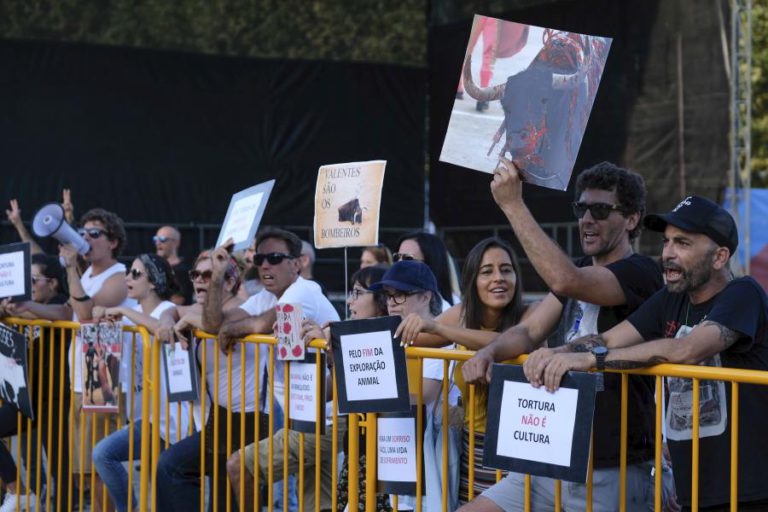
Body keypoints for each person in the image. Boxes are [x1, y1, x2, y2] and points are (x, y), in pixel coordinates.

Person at [524, 195, 768, 510]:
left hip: (749, 489)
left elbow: (687, 349)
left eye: (682, 244)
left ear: (720, 257)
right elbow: (608, 340)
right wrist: (557, 352)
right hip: (695, 488)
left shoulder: (743, 293)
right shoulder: (670, 299)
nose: (667, 253)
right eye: (666, 242)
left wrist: (592, 360)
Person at [459, 160, 663, 512]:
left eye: (600, 210)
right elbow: (528, 330)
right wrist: (489, 352)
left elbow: (566, 281)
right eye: (581, 208)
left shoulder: (641, 272)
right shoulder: (582, 268)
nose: (586, 219)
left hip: (609, 466)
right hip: (550, 454)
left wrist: (513, 204)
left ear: (632, 219)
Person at [5, 208, 134, 512]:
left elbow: (87, 315)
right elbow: (66, 313)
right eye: (83, 232)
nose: (85, 238)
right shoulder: (88, 273)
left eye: (94, 234)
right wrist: (26, 305)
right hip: (82, 371)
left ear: (113, 241)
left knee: (100, 463)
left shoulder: (118, 275)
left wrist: (71, 269)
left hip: (103, 368)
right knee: (83, 471)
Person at [396, 237, 532, 502]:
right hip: (471, 449)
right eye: (487, 271)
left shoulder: (532, 316)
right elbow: (402, 341)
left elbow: (510, 343)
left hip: (519, 454)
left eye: (506, 269)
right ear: (472, 280)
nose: (498, 278)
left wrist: (438, 328)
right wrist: (339, 335)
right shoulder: (462, 314)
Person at [217, 228, 340, 512]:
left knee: (239, 466)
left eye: (274, 258)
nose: (264, 265)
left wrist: (231, 330)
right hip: (308, 417)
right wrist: (215, 276)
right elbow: (215, 322)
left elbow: (258, 326)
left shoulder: (303, 290)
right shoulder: (268, 297)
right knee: (317, 505)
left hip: (326, 419)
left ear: (296, 264)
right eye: (259, 259)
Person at [91, 253, 185, 512]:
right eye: (128, 273)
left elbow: (160, 327)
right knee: (106, 456)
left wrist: (121, 310)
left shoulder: (165, 308)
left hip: (171, 420)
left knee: (105, 455)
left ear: (153, 282)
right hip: (147, 415)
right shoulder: (132, 316)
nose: (128, 278)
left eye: (136, 274)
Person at [153, 250, 245, 512]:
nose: (201, 280)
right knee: (222, 497)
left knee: (172, 466)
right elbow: (171, 308)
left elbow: (214, 325)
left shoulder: (239, 308)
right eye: (196, 274)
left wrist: (188, 320)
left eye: (209, 275)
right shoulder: (198, 308)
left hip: (243, 420)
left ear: (229, 281)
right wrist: (166, 320)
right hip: (214, 419)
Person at [0, 254, 70, 512]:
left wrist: (26, 306)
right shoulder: (26, 310)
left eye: (33, 280)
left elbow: (63, 313)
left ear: (52, 283)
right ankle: (17, 490)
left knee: (60, 468)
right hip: (28, 398)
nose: (27, 286)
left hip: (56, 396)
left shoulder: (60, 301)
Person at [396, 231, 458, 308]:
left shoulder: (444, 310)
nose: (399, 264)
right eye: (397, 257)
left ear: (430, 263)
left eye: (408, 258)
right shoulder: (390, 302)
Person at [154, 226, 193, 305]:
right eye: (155, 239)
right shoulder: (154, 267)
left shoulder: (182, 271)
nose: (158, 243)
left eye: (162, 239)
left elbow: (176, 302)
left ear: (176, 242)